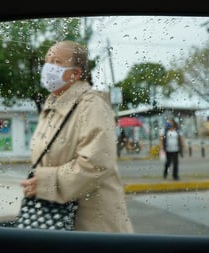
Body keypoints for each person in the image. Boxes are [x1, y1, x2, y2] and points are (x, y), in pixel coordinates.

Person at [20, 40, 133, 233]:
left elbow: (95, 163)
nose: (48, 68)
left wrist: (45, 182)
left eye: (56, 62)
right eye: (47, 61)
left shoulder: (91, 106)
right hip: (59, 219)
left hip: (94, 228)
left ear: (76, 73)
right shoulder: (54, 106)